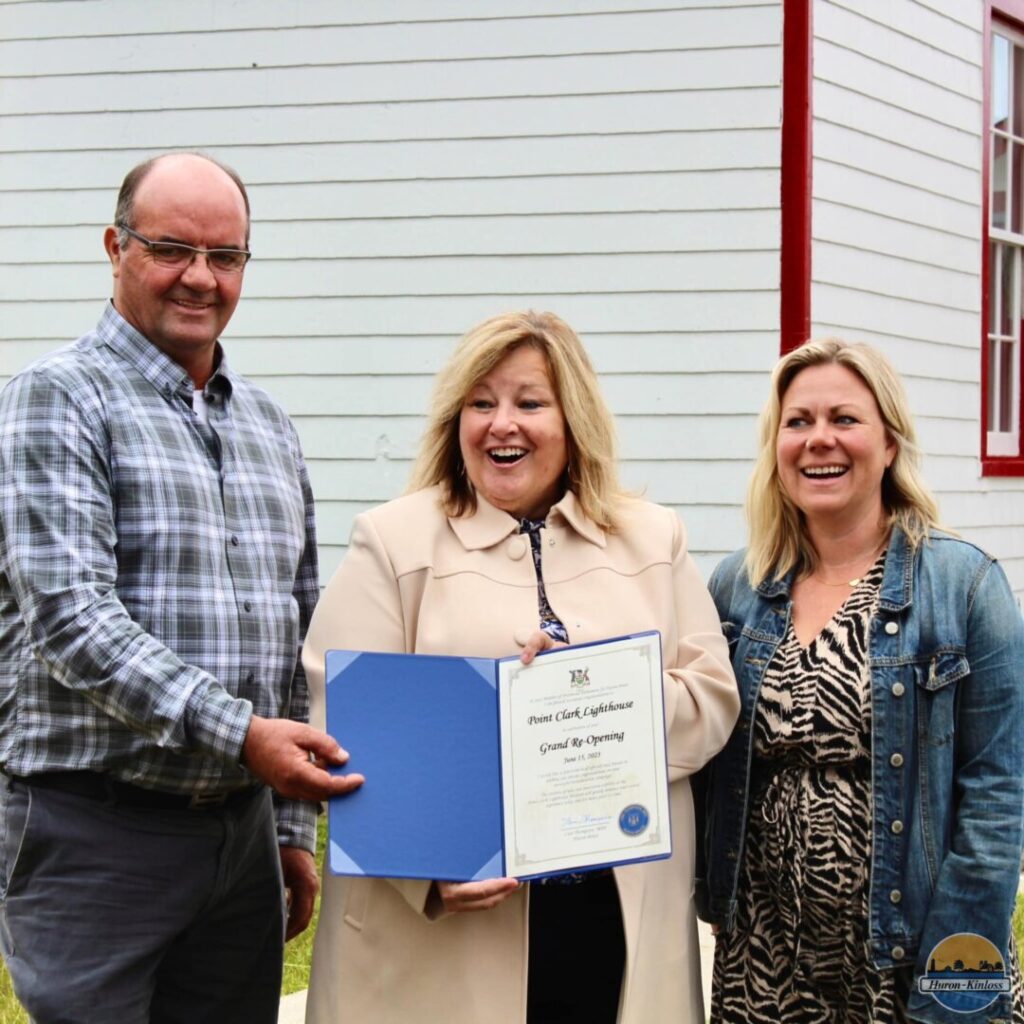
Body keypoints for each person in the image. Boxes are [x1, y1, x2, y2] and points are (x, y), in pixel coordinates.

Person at [0, 152, 363, 1024]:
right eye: (171, 248)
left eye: (226, 256)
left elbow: (291, 636)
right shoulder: (56, 400)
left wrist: (282, 829)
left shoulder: (269, 424)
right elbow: (74, 621)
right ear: (114, 248)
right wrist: (243, 736)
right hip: (94, 831)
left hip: (236, 843)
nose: (200, 277)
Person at [300, 310, 739, 1024]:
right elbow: (339, 724)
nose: (503, 424)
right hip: (451, 934)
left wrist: (599, 694)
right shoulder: (393, 542)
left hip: (614, 921)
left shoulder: (652, 538)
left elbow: (713, 700)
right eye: (481, 403)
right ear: (455, 420)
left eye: (530, 402)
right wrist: (428, 874)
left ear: (573, 420)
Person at [696, 338, 1024, 1023]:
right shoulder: (737, 587)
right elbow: (697, 754)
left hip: (904, 955)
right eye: (799, 422)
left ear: (890, 444)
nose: (820, 441)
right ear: (776, 445)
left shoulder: (965, 587)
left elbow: (995, 800)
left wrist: (953, 981)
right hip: (765, 959)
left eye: (845, 419)